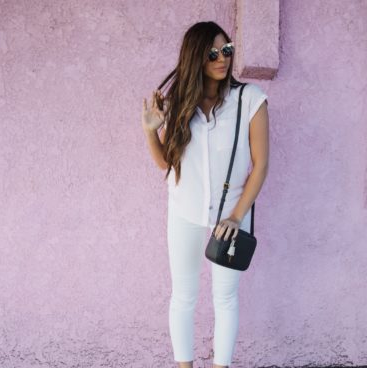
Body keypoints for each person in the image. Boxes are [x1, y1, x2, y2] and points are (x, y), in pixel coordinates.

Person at [142, 21, 269, 368]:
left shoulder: (251, 100)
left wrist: (236, 216)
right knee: (183, 297)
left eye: (226, 50)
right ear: (196, 57)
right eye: (212, 53)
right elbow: (167, 164)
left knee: (225, 298)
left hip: (231, 216)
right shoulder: (182, 104)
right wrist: (151, 132)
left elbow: (260, 165)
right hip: (183, 211)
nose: (222, 59)